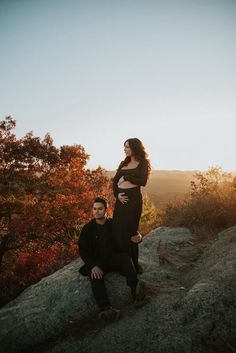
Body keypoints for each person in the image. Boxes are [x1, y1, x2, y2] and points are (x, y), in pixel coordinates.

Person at [78, 197, 146, 322]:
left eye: (100, 209)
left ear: (106, 210)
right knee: (96, 276)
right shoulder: (88, 229)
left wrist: (139, 236)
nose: (96, 211)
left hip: (112, 258)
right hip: (97, 262)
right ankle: (106, 309)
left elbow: (130, 232)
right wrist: (92, 266)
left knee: (125, 258)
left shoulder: (113, 224)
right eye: (94, 209)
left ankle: (135, 293)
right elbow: (82, 250)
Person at [112, 138, 151, 274]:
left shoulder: (143, 163)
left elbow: (143, 181)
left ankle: (134, 264)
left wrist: (128, 177)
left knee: (131, 232)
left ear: (135, 147)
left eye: (127, 147)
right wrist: (117, 195)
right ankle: (123, 263)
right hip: (120, 203)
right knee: (118, 231)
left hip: (134, 202)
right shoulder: (124, 163)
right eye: (124, 147)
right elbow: (114, 182)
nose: (125, 149)